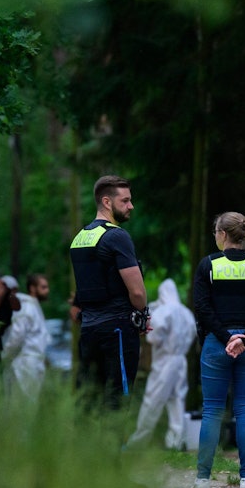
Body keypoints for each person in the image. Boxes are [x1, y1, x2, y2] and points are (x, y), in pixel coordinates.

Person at [191, 212, 245, 488]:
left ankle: (202, 479)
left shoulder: (209, 265)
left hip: (217, 344)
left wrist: (227, 338)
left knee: (213, 410)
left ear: (223, 235)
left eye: (216, 231)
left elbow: (202, 307)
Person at [69, 175, 149, 410]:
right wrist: (142, 314)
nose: (131, 206)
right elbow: (137, 292)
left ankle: (89, 447)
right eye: (125, 201)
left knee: (88, 399)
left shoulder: (80, 238)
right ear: (106, 202)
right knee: (118, 399)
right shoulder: (117, 236)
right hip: (117, 330)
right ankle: (116, 447)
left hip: (88, 330)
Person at [125, 278, 197, 450]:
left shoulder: (163, 311)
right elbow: (194, 333)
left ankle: (138, 442)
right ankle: (175, 442)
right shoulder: (186, 312)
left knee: (153, 400)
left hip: (165, 360)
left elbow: (153, 336)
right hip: (181, 359)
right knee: (177, 401)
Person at [2, 273, 51, 401]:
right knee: (25, 404)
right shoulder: (27, 307)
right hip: (26, 362)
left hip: (34, 361)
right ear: (32, 288)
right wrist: (5, 355)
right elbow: (17, 335)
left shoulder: (33, 306)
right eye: (43, 287)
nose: (47, 291)